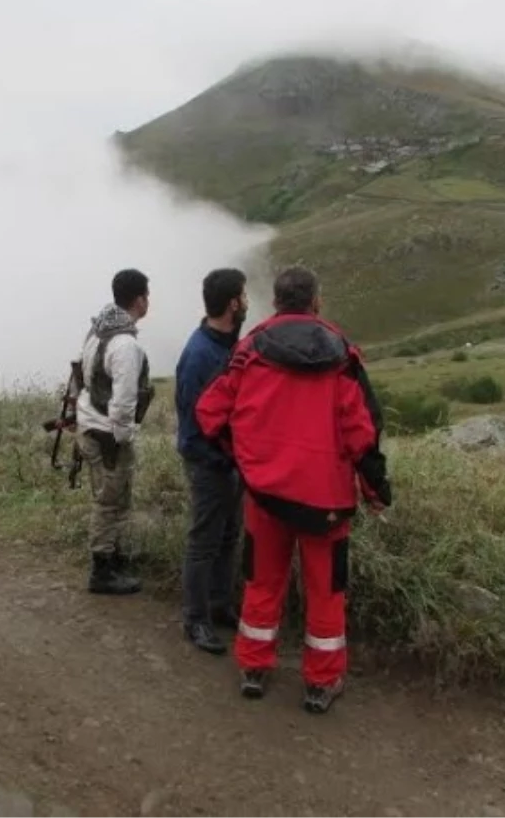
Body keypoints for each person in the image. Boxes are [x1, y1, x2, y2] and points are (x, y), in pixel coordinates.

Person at [195, 265, 390, 714]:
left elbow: (210, 414)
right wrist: (376, 490)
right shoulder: (342, 355)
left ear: (277, 302)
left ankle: (253, 669)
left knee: (262, 583)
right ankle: (320, 684)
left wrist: (245, 458)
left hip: (265, 497)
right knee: (326, 592)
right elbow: (363, 434)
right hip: (327, 502)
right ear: (315, 301)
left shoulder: (249, 351)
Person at [174, 268, 248, 655]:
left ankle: (220, 606)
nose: (248, 303)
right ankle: (195, 619)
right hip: (208, 464)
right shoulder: (200, 354)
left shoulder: (229, 345)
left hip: (231, 462)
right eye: (244, 296)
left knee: (228, 536)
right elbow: (191, 422)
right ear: (233, 303)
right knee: (203, 542)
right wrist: (219, 458)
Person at [74, 268, 155, 595]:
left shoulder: (99, 328)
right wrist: (123, 438)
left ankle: (115, 557)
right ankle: (103, 570)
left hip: (91, 424)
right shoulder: (125, 345)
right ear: (139, 299)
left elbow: (81, 372)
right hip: (108, 434)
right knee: (110, 500)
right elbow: (123, 402)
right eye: (147, 296)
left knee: (112, 497)